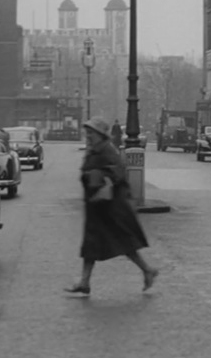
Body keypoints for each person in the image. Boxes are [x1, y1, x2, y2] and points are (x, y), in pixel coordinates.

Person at [66, 117, 158, 295]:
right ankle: (85, 281)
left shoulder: (106, 150)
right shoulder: (95, 149)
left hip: (110, 207)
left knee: (123, 242)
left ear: (100, 135)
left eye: (91, 133)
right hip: (96, 205)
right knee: (91, 244)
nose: (88, 136)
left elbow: (119, 171)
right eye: (88, 132)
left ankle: (148, 270)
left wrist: (103, 180)